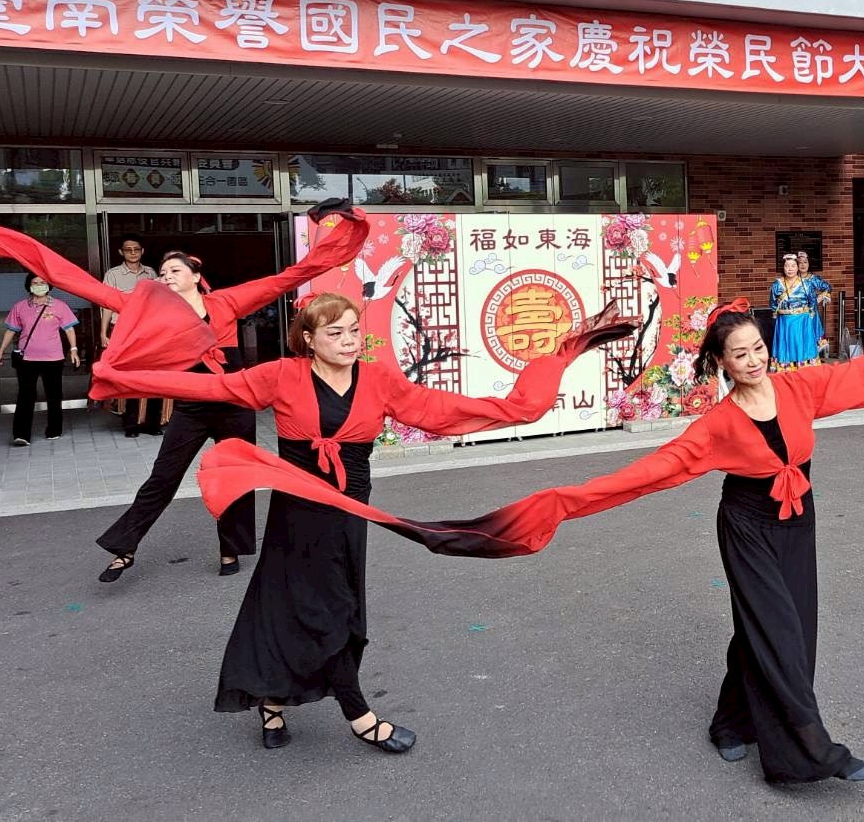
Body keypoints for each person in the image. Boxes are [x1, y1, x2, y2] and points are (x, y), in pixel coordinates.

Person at [178, 298, 864, 783]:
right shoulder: (722, 423)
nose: (755, 358)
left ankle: (731, 720)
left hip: (802, 524)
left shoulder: (803, 386)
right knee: (784, 643)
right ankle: (807, 752)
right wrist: (129, 374)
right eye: (740, 353)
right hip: (751, 528)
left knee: (773, 633)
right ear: (721, 367)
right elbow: (645, 476)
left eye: (760, 347)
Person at [92, 293, 634, 754]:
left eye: (354, 330)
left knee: (322, 601)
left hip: (351, 510)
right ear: (307, 338)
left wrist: (550, 369)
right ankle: (356, 713)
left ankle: (274, 700)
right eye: (336, 332)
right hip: (298, 509)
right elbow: (205, 390)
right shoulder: (279, 376)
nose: (350, 340)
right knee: (316, 603)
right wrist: (117, 376)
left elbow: (460, 410)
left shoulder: (379, 382)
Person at [0, 201, 370, 577]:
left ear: (197, 275)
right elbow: (77, 282)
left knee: (237, 478)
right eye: (161, 272)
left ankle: (231, 547)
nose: (165, 276)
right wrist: (15, 247)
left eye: (174, 270)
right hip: (191, 406)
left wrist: (340, 228)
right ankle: (125, 544)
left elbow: (292, 276)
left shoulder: (229, 303)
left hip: (234, 403)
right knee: (162, 477)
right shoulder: (145, 305)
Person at [0, 274, 79, 447]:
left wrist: (74, 350)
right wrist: (1, 351)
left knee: (54, 395)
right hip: (27, 359)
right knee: (26, 395)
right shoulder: (20, 307)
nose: (39, 285)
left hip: (53, 358)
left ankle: (54, 429)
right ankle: (21, 434)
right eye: (35, 283)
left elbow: (69, 330)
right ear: (28, 286)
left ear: (49, 286)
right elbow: (11, 331)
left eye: (42, 283)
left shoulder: (60, 306)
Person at [100, 235, 161, 437]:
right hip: (123, 331)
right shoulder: (113, 274)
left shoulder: (151, 273)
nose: (132, 253)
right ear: (121, 252)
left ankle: (152, 423)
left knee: (154, 378)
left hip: (148, 330)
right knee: (130, 378)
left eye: (136, 249)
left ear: (142, 251)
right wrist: (103, 332)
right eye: (128, 249)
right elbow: (107, 304)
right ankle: (131, 425)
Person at [769, 253, 819, 370]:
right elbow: (773, 304)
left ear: (797, 268)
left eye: (793, 266)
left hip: (802, 321)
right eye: (787, 266)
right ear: (783, 268)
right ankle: (786, 369)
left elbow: (812, 302)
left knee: (802, 346)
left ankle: (804, 370)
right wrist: (781, 313)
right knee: (787, 347)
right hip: (785, 321)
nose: (790, 269)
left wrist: (808, 314)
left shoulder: (806, 284)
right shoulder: (777, 284)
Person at [795, 251, 832, 357]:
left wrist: (819, 297)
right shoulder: (793, 279)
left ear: (808, 264)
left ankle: (811, 361)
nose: (803, 265)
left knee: (811, 337)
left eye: (805, 262)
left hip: (811, 314)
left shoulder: (813, 279)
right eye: (800, 263)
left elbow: (828, 287)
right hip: (797, 313)